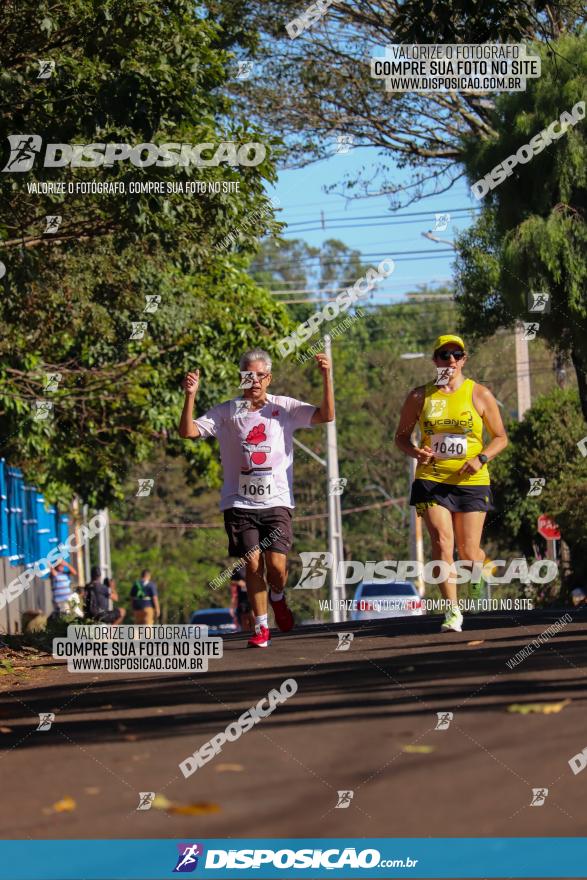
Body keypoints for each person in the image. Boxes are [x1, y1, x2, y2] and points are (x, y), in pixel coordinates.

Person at [179, 348, 334, 648]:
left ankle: (278, 596)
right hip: (239, 503)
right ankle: (261, 627)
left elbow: (326, 415)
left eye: (260, 375)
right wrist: (190, 395)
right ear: (241, 379)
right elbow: (187, 431)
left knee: (276, 567)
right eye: (248, 375)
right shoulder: (226, 412)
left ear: (269, 378)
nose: (254, 381)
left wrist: (326, 376)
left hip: (276, 501)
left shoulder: (284, 407)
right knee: (252, 564)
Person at [395, 334, 508, 633]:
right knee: (442, 543)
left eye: (456, 355)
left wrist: (481, 458)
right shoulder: (420, 397)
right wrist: (416, 452)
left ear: (464, 359)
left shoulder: (479, 394)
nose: (450, 361)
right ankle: (452, 611)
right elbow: (401, 437)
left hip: (472, 480)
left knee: (469, 552)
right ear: (435, 360)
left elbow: (500, 437)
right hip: (431, 480)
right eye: (444, 355)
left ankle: (478, 573)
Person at [230, 565, 254, 632]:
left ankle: (256, 631)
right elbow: (232, 581)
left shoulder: (254, 565)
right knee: (244, 616)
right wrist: (238, 582)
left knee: (253, 615)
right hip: (243, 597)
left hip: (254, 595)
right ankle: (245, 634)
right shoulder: (237, 569)